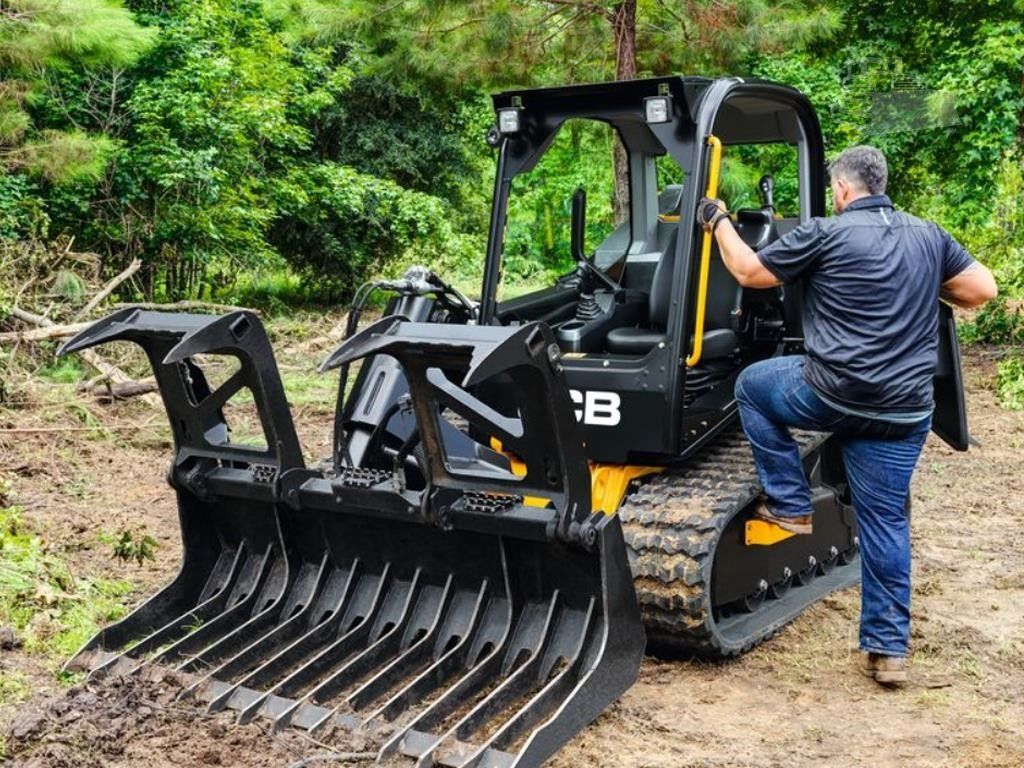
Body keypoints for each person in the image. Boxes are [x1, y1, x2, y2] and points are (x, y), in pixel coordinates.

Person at [697, 145, 997, 687]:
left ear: (841, 189)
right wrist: (927, 280)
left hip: (833, 395)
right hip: (905, 410)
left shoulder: (826, 233)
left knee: (752, 386)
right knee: (886, 524)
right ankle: (888, 651)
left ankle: (789, 503)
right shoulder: (928, 235)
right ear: (880, 184)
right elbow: (981, 290)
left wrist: (717, 221)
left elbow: (747, 271)